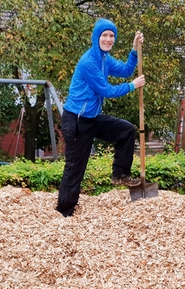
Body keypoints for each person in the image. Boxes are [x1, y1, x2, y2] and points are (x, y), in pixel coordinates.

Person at [56, 18, 146, 217]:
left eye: (111, 35)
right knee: (75, 168)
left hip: (92, 118)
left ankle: (120, 174)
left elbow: (125, 70)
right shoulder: (89, 62)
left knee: (126, 130)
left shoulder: (105, 58)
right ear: (96, 37)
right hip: (77, 121)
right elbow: (106, 90)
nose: (108, 39)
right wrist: (133, 86)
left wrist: (133, 50)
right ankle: (64, 212)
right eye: (104, 35)